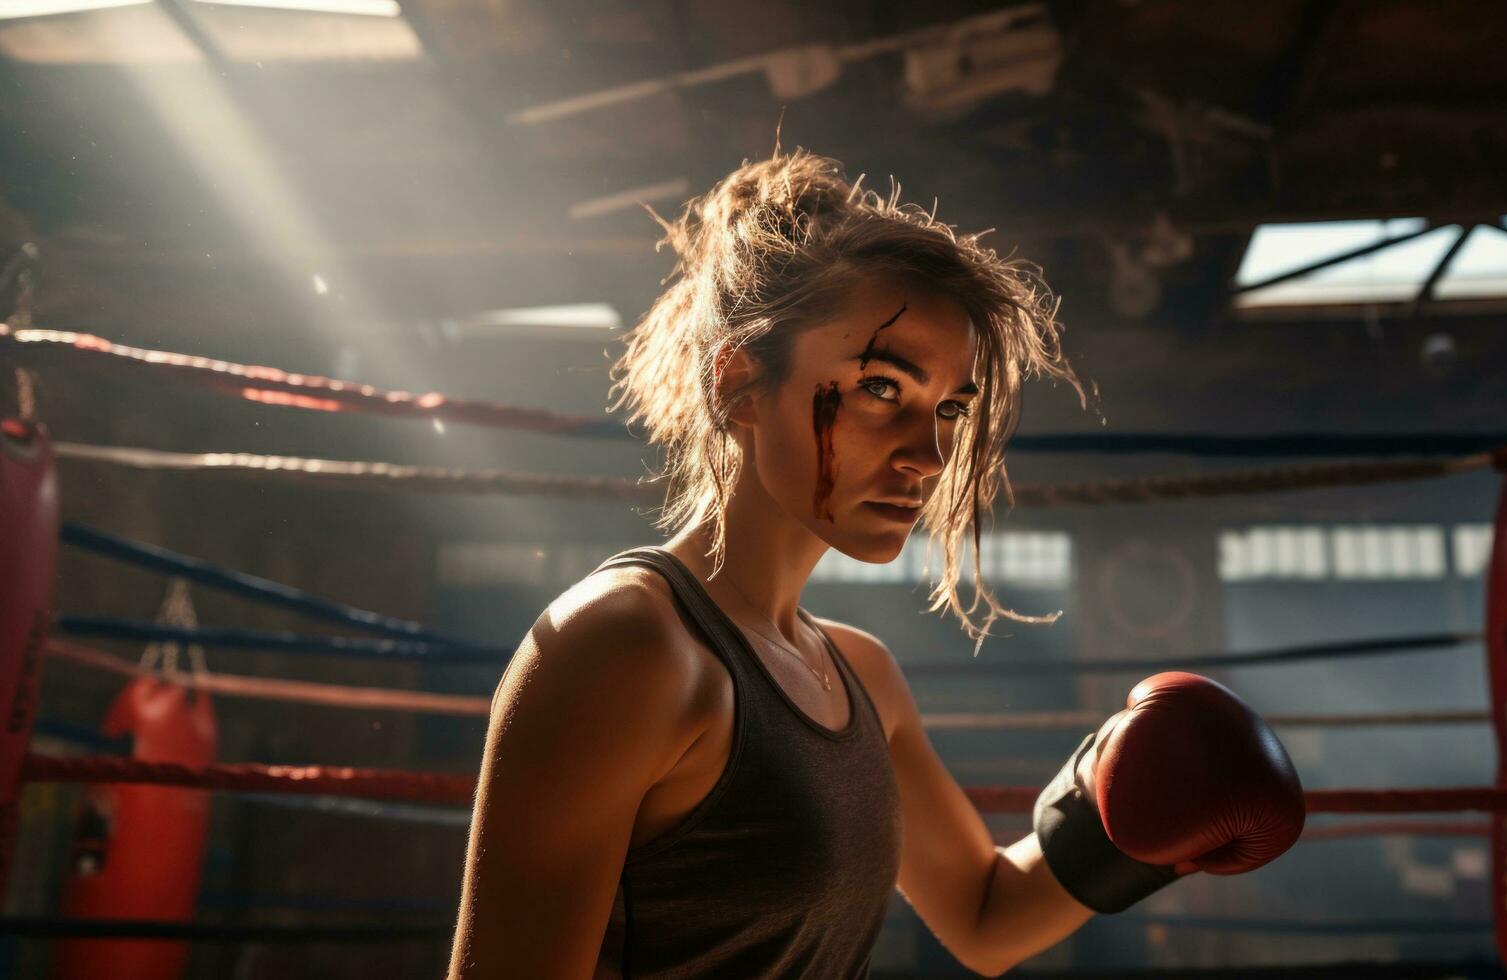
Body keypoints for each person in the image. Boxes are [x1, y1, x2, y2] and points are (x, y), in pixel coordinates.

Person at [447, 148, 1304, 979]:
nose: (927, 456)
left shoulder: (862, 676)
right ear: (739, 384)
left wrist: (1126, 826)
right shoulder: (625, 648)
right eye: (880, 388)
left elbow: (984, 916)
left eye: (950, 408)